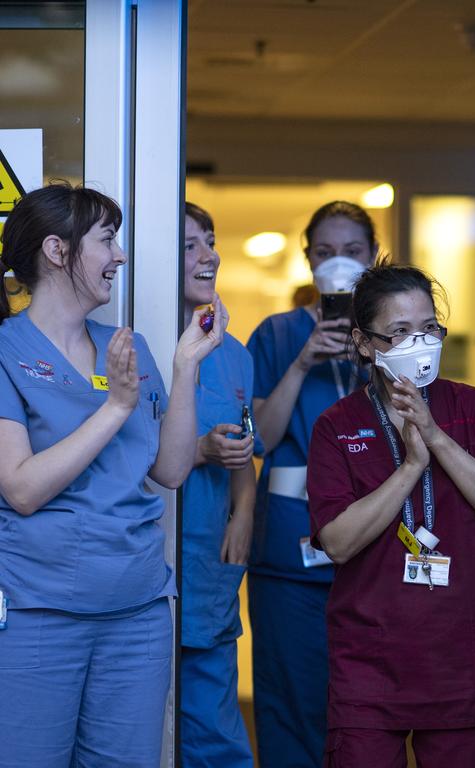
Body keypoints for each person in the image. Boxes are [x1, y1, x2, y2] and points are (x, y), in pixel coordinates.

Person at [0, 183, 223, 766]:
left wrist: (184, 364)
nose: (120, 256)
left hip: (138, 615)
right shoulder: (5, 352)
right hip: (37, 618)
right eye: (107, 240)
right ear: (57, 250)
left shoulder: (128, 348)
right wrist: (116, 407)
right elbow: (21, 488)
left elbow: (171, 470)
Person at [306, 263, 475, 767]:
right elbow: (338, 542)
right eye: (400, 332)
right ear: (365, 344)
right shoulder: (337, 426)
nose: (419, 343)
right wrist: (410, 468)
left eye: (428, 328)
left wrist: (435, 437)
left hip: (462, 659)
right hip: (371, 663)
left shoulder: (469, 407)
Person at [246, 200, 373, 766]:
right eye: (325, 253)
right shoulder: (277, 336)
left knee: (369, 701)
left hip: (375, 544)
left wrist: (378, 355)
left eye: (352, 252)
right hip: (291, 553)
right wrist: (301, 364)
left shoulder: (394, 335)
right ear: (307, 260)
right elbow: (261, 441)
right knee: (291, 695)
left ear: (372, 258)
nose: (338, 263)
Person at [179, 202, 258, 767]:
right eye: (189, 245)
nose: (210, 256)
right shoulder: (137, 342)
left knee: (215, 732)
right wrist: (198, 450)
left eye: (210, 241)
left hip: (210, 559)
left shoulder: (235, 355)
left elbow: (244, 445)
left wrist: (244, 514)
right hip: (155, 551)